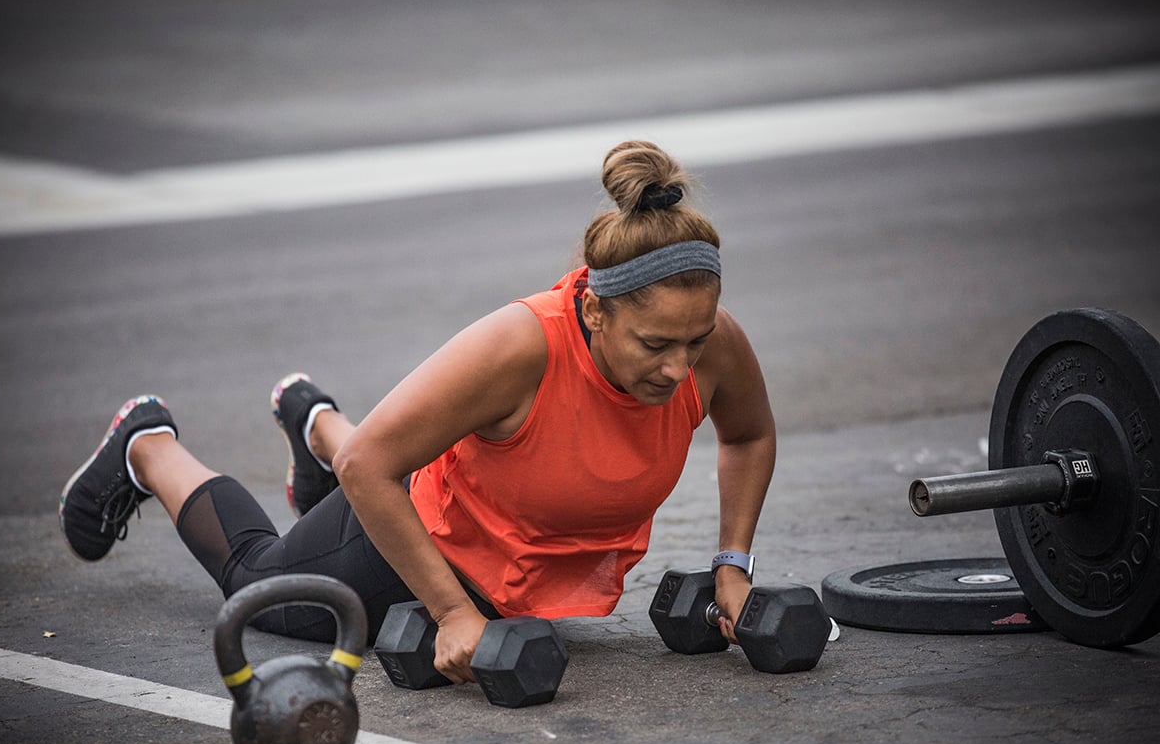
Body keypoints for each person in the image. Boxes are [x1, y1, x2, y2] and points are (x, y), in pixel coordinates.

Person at [58, 140, 777, 686]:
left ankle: (318, 428)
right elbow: (370, 464)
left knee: (364, 451)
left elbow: (747, 434)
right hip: (422, 535)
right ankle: (148, 444)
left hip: (504, 548)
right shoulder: (520, 348)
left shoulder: (712, 346)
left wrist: (733, 566)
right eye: (655, 345)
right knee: (257, 586)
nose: (680, 368)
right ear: (594, 309)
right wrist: (453, 612)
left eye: (696, 340)